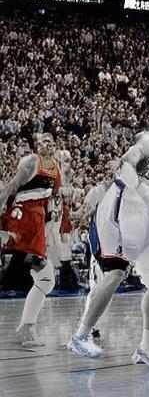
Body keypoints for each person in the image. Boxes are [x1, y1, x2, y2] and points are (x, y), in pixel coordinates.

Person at [68, 104, 149, 370]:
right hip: (120, 208)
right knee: (116, 271)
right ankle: (80, 336)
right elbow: (125, 164)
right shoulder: (147, 140)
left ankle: (146, 348)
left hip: (139, 214)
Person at [0, 132, 62, 348]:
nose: (48, 144)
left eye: (51, 141)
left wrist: (51, 219)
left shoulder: (55, 169)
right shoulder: (31, 162)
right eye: (44, 141)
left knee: (45, 280)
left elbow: (50, 199)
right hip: (21, 220)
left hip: (36, 226)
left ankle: (26, 328)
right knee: (41, 276)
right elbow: (11, 187)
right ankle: (26, 328)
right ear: (37, 145)